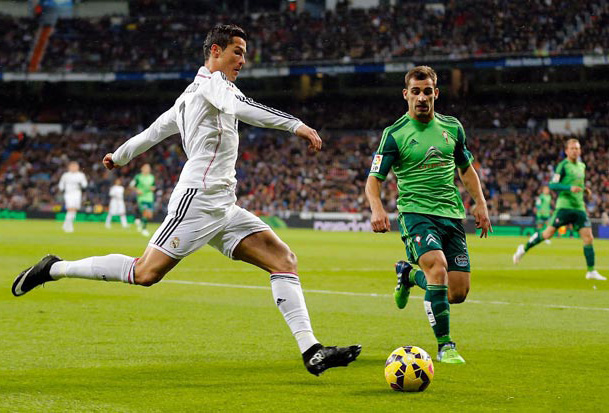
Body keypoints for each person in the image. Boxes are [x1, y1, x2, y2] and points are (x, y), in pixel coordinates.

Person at [12, 24, 360, 376]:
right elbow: (241, 107)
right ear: (215, 52)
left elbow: (152, 133)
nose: (243, 60)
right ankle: (54, 268)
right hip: (197, 200)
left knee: (283, 260)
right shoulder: (215, 85)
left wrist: (119, 155)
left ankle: (312, 351)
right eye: (237, 52)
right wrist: (296, 125)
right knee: (144, 273)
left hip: (224, 205)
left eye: (244, 53)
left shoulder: (187, 97)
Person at [365, 66, 492, 364]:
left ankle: (408, 275)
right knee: (438, 268)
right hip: (416, 214)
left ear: (436, 93)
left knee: (457, 292)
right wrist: (377, 207)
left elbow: (466, 169)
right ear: (406, 94)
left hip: (451, 214)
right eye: (415, 92)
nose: (421, 98)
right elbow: (374, 179)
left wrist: (481, 203)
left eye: (426, 92)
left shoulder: (453, 128)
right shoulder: (394, 134)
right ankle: (445, 345)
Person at [513, 139, 606, 280]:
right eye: (572, 148)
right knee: (548, 233)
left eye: (577, 148)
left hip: (579, 207)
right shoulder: (563, 166)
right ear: (567, 151)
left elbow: (578, 184)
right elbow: (552, 185)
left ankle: (591, 271)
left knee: (588, 238)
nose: (575, 151)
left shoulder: (582, 166)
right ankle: (523, 248)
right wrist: (569, 188)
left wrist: (584, 190)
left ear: (580, 151)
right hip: (564, 207)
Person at [58, 161, 88, 233]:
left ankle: (66, 224)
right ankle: (70, 225)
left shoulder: (81, 175)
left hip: (77, 194)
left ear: (77, 167)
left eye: (75, 166)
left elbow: (85, 184)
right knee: (70, 209)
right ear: (69, 167)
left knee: (74, 209)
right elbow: (61, 184)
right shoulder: (66, 175)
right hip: (68, 194)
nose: (74, 168)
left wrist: (82, 184)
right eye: (72, 166)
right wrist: (61, 189)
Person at [130, 163, 156, 236]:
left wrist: (153, 188)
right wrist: (137, 190)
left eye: (149, 168)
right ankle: (144, 229)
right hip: (142, 197)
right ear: (142, 169)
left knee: (150, 215)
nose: (148, 169)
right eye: (146, 168)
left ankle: (139, 222)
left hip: (150, 198)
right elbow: (131, 185)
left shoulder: (151, 177)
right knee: (145, 212)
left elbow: (153, 186)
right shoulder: (138, 177)